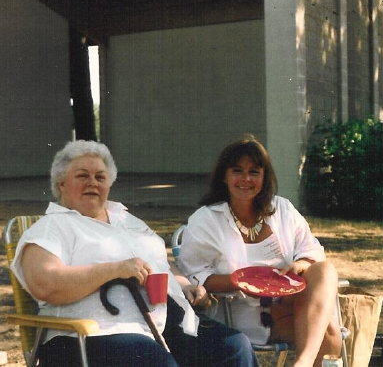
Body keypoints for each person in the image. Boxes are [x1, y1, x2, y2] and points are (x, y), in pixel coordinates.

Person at [10, 140, 258, 367]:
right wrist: (114, 269)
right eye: (82, 176)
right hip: (89, 334)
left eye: (100, 176)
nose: (93, 182)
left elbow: (159, 264)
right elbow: (45, 283)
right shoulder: (53, 226)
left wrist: (184, 285)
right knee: (154, 361)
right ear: (61, 184)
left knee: (233, 347)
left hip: (160, 327)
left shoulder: (129, 221)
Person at [178, 136, 342, 367]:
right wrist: (244, 282)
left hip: (292, 305)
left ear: (264, 177)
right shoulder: (206, 219)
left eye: (254, 172)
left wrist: (301, 264)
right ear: (224, 176)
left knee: (324, 270)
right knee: (329, 332)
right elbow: (194, 276)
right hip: (238, 312)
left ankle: (302, 362)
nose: (246, 179)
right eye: (237, 170)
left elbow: (311, 251)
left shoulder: (282, 209)